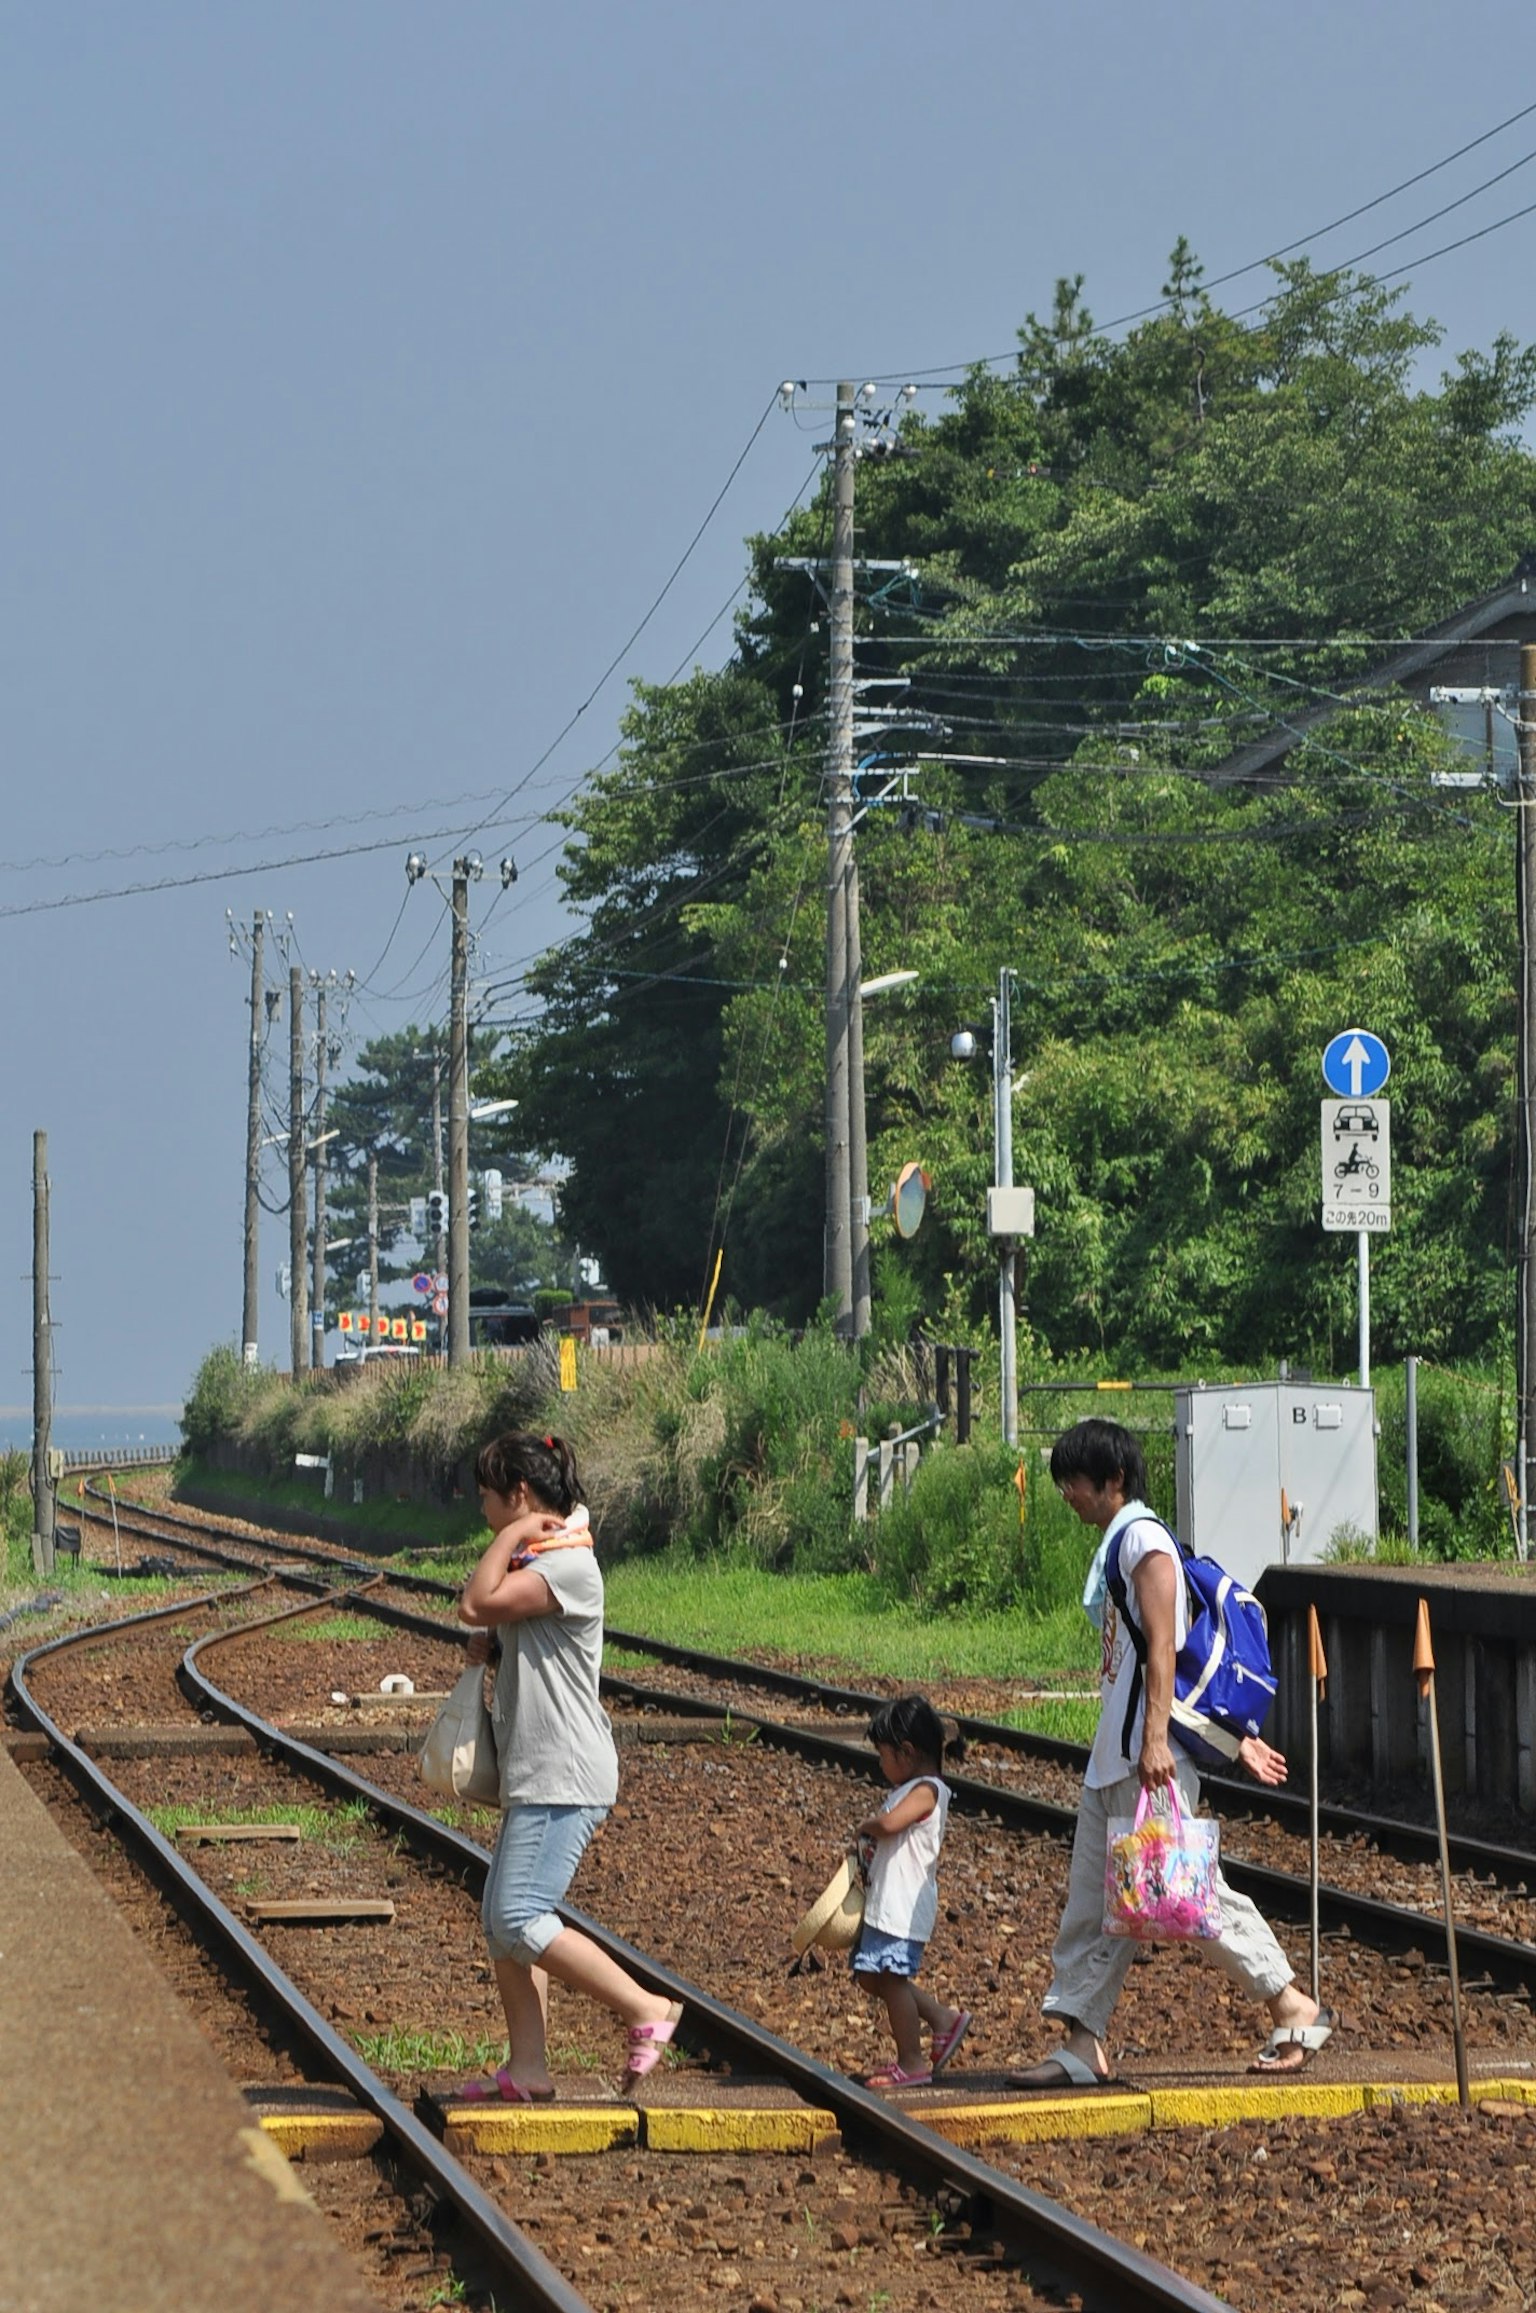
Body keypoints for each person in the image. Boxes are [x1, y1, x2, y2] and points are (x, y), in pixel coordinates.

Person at [1009, 1417, 1335, 2089]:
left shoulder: (1143, 1540)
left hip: (1143, 1758)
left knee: (1186, 1893)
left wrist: (1157, 1738)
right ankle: (1082, 2041)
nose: (1066, 1492)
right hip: (1116, 1757)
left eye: (1075, 1480)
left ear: (1113, 1481)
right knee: (1095, 1906)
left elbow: (1164, 1647)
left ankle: (1290, 2002)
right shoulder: (1120, 1542)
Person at [454, 1430, 682, 2102]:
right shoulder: (544, 1562)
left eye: (490, 1500)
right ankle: (528, 2067)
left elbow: (475, 1599)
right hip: (541, 1768)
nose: (484, 1513)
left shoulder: (565, 1564)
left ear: (518, 1496)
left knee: (521, 1916)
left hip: (566, 1772)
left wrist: (513, 1532)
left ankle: (645, 2007)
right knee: (504, 1921)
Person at [850, 1695, 972, 2089]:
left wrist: (868, 1824)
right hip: (888, 1902)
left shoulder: (927, 1790)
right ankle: (942, 2018)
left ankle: (912, 2062)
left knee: (891, 1979)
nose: (880, 1764)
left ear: (906, 1751)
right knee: (872, 1977)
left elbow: (889, 1826)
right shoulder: (912, 1786)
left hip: (902, 1906)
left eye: (883, 1755)